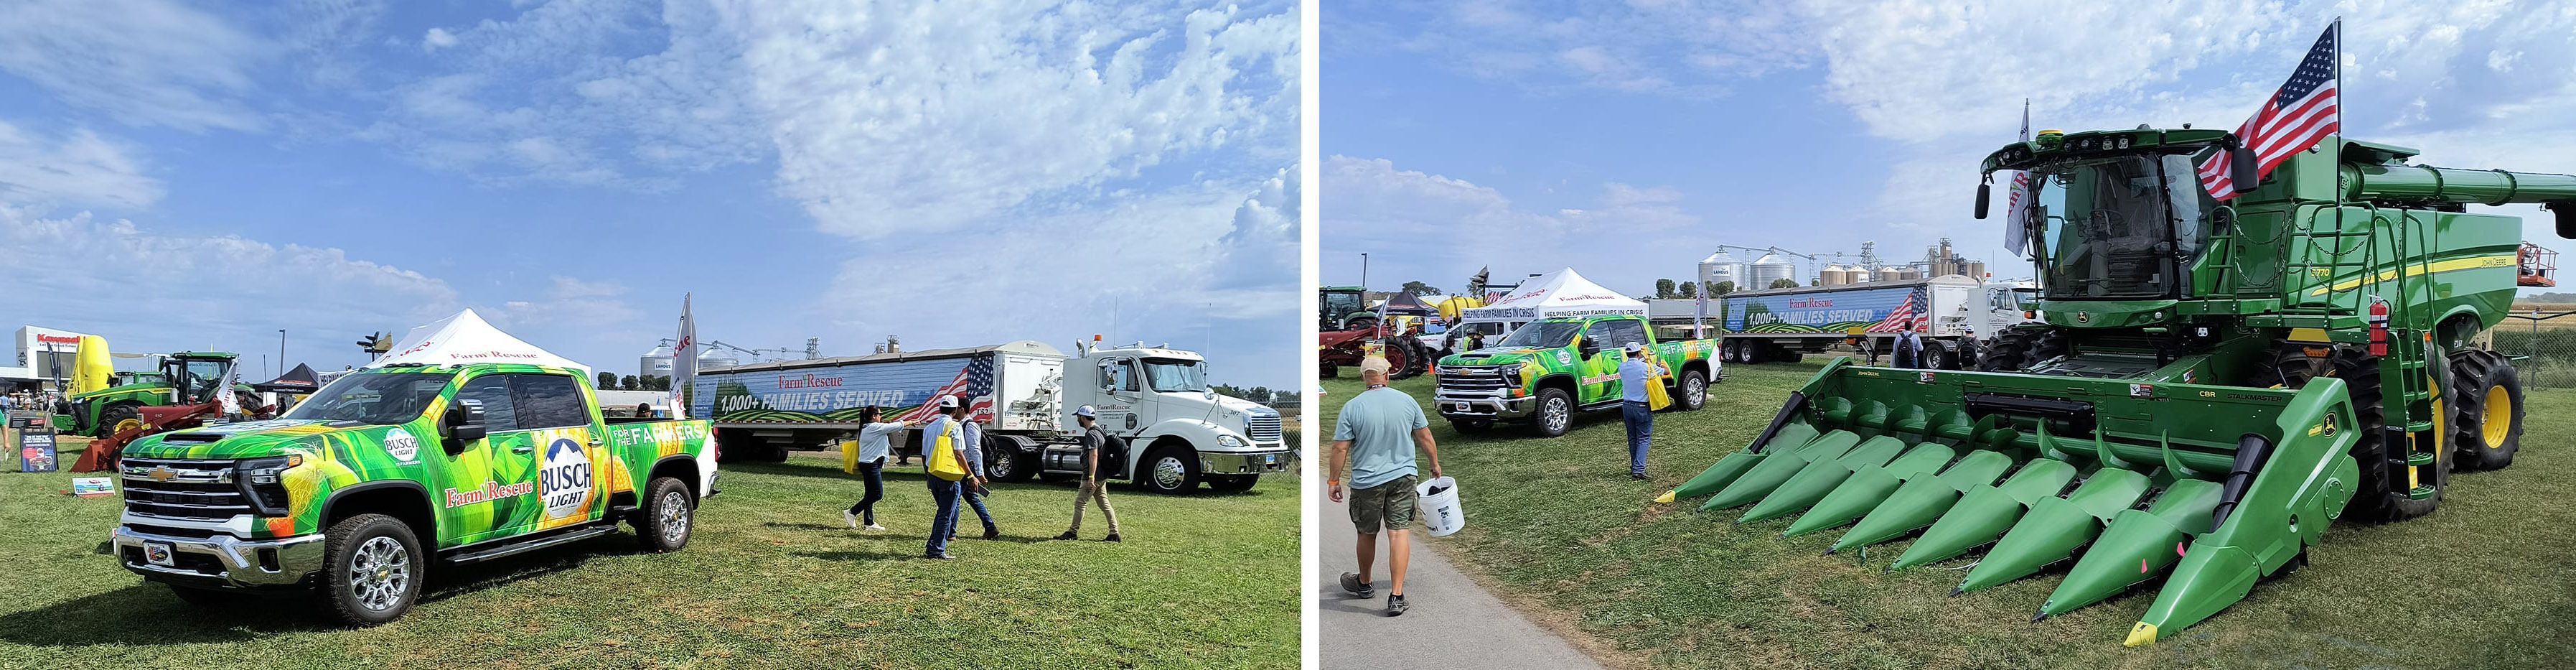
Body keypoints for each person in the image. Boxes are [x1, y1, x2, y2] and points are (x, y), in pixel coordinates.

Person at [1329, 356, 1442, 617]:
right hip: (1403, 477)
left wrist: (1334, 481)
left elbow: (1340, 448)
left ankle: (1365, 583)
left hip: (1367, 482)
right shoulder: (1407, 401)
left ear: (1363, 378)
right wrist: (1434, 464)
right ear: (1388, 376)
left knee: (1366, 533)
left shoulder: (1352, 407)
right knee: (1399, 532)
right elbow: (1425, 436)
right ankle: (1397, 595)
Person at [1054, 405, 1124, 541]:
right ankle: (1114, 534)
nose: (1078, 419)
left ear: (1082, 418)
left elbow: (1094, 456)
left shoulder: (1091, 434)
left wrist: (1091, 478)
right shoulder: (1099, 431)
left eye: (1078, 417)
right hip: (1101, 475)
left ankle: (1072, 532)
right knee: (1104, 504)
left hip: (1093, 476)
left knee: (1080, 503)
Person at [922, 394, 978, 559]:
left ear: (940, 409)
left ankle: (933, 546)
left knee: (943, 512)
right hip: (949, 476)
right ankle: (937, 550)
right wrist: (970, 475)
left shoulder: (929, 427)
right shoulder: (955, 427)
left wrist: (928, 476)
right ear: (954, 410)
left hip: (933, 474)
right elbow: (959, 454)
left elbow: (924, 455)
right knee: (946, 514)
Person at [844, 407, 915, 531]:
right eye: (880, 414)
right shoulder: (875, 427)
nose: (881, 417)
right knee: (877, 494)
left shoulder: (867, 427)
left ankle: (869, 522)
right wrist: (911, 422)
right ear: (873, 416)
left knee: (870, 493)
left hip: (868, 464)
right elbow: (894, 426)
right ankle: (852, 512)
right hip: (871, 465)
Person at [952, 396, 1001, 541]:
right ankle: (990, 527)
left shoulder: (970, 425)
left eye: (956, 408)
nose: (953, 411)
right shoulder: (961, 424)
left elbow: (975, 450)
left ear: (961, 409)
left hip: (967, 467)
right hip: (965, 466)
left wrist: (978, 473)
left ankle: (950, 533)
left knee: (955, 499)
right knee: (972, 498)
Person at [1619, 342, 1667, 480]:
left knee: (1632, 437)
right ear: (1640, 353)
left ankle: (1634, 466)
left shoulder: (1622, 367)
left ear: (1627, 354)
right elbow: (1666, 372)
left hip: (1627, 406)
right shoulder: (1646, 367)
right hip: (1641, 406)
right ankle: (1639, 469)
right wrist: (1653, 362)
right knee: (1644, 438)